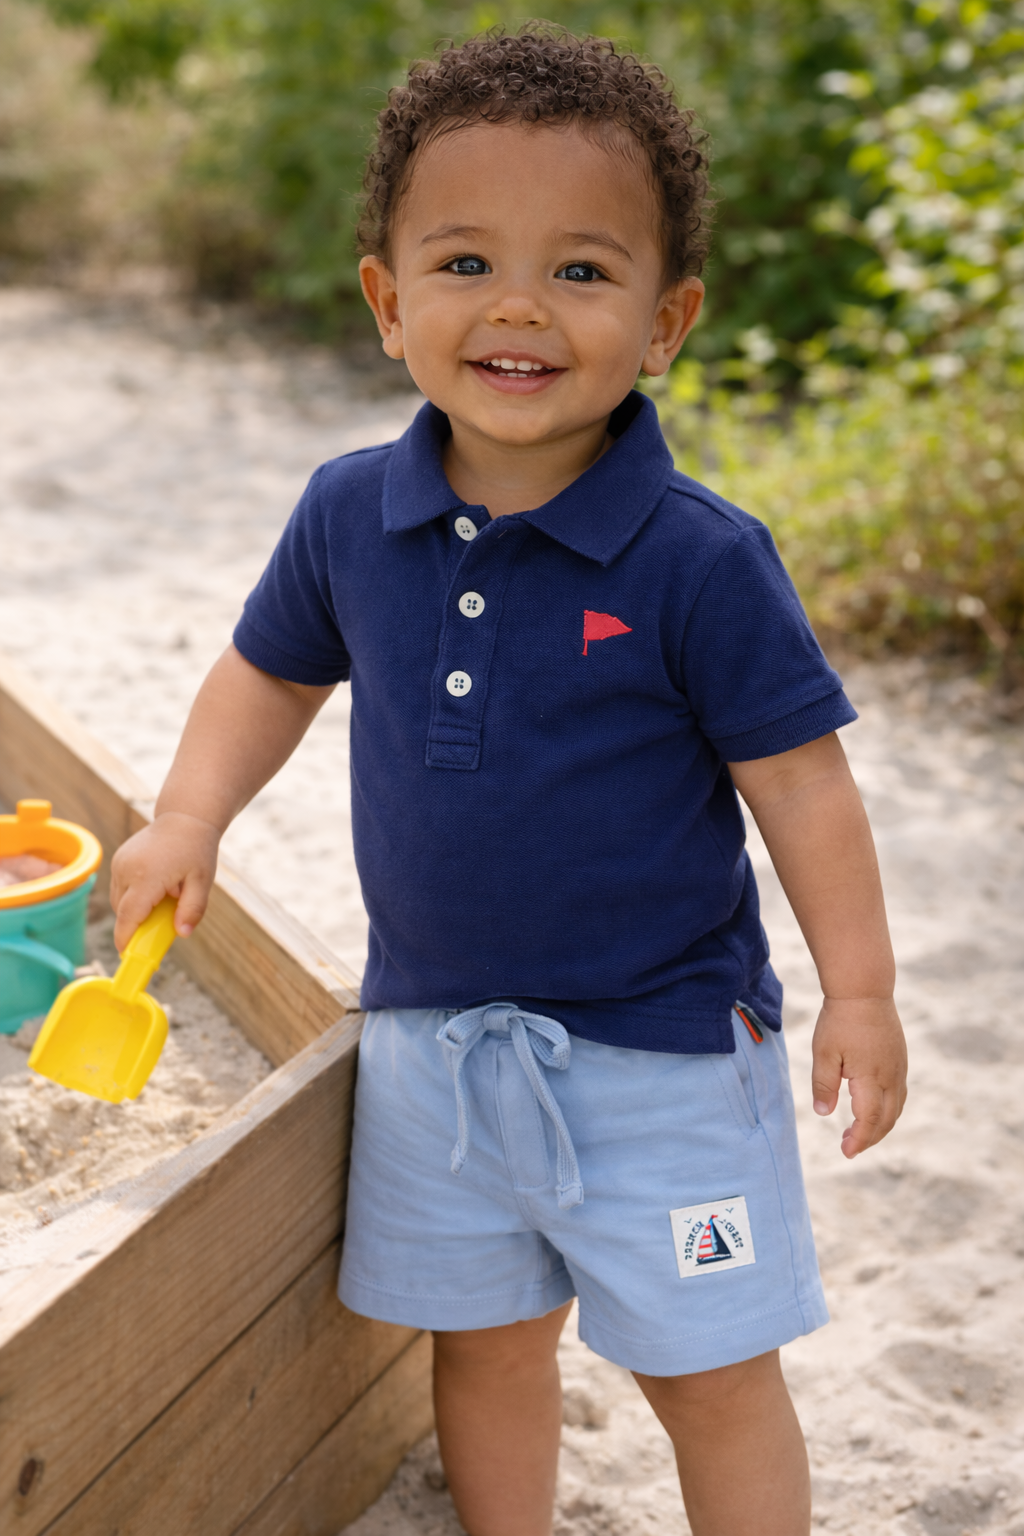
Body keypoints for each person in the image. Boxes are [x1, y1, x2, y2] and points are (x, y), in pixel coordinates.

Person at [110, 26, 908, 1536]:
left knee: (713, 1367)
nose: (521, 306)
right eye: (465, 262)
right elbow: (269, 675)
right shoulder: (350, 514)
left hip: (667, 1054)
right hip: (431, 1044)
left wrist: (858, 991)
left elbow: (802, 787)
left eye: (585, 273)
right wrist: (188, 813)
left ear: (666, 323)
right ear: (386, 301)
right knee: (481, 1347)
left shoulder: (699, 558)